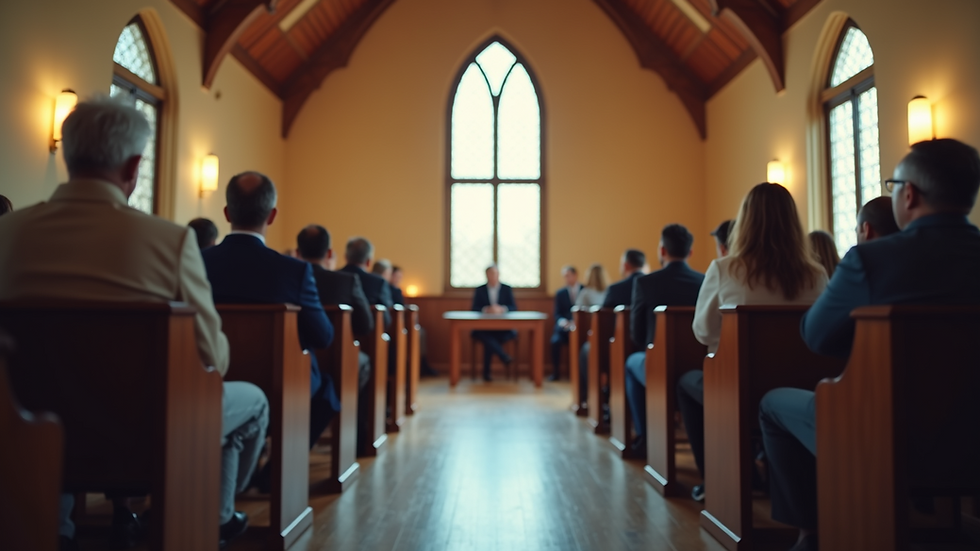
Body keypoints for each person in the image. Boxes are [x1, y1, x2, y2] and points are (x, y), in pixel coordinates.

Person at [0, 97, 265, 550]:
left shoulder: (9, 234)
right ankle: (209, 518)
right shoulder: (169, 241)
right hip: (142, 435)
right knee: (253, 401)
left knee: (50, 393)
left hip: (22, 428)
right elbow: (213, 359)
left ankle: (55, 530)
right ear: (133, 167)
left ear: (67, 155)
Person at [760, 139, 980, 551]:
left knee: (772, 404)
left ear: (909, 193)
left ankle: (810, 534)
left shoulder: (871, 260)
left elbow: (816, 337)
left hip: (884, 436)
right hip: (972, 434)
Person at [682, 183, 828, 504]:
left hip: (740, 387)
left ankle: (717, 478)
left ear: (745, 221)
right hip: (801, 385)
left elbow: (704, 333)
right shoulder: (816, 273)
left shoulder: (725, 268)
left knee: (686, 384)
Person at [202, 172, 337, 453]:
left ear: (227, 213)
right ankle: (275, 470)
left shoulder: (198, 262)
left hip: (210, 375)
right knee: (327, 390)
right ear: (272, 216)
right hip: (280, 382)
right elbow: (323, 336)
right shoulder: (293, 270)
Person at [625, 225, 705, 454]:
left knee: (631, 364)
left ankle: (645, 436)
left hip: (659, 367)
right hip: (700, 369)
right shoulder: (705, 281)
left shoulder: (645, 283)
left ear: (662, 251)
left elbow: (637, 335)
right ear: (690, 253)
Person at [471, 264, 518, 381]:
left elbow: (513, 307)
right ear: (486, 275)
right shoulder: (480, 290)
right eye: (490, 274)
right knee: (487, 337)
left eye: (495, 274)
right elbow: (474, 308)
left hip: (503, 329)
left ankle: (486, 373)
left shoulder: (507, 289)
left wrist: (501, 309)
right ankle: (503, 356)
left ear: (498, 275)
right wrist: (486, 309)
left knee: (490, 341)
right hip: (484, 328)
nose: (492, 276)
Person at [340, 237, 393, 329]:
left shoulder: (333, 278)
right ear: (368, 261)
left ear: (346, 257)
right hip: (369, 338)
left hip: (336, 335)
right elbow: (386, 320)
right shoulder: (378, 282)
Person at [549, 265, 582, 381]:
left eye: (568, 276)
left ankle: (579, 374)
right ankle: (556, 373)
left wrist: (576, 322)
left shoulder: (585, 290)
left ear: (575, 275)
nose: (567, 279)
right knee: (555, 341)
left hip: (580, 327)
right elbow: (557, 314)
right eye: (565, 277)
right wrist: (564, 322)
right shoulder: (560, 293)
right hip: (564, 329)